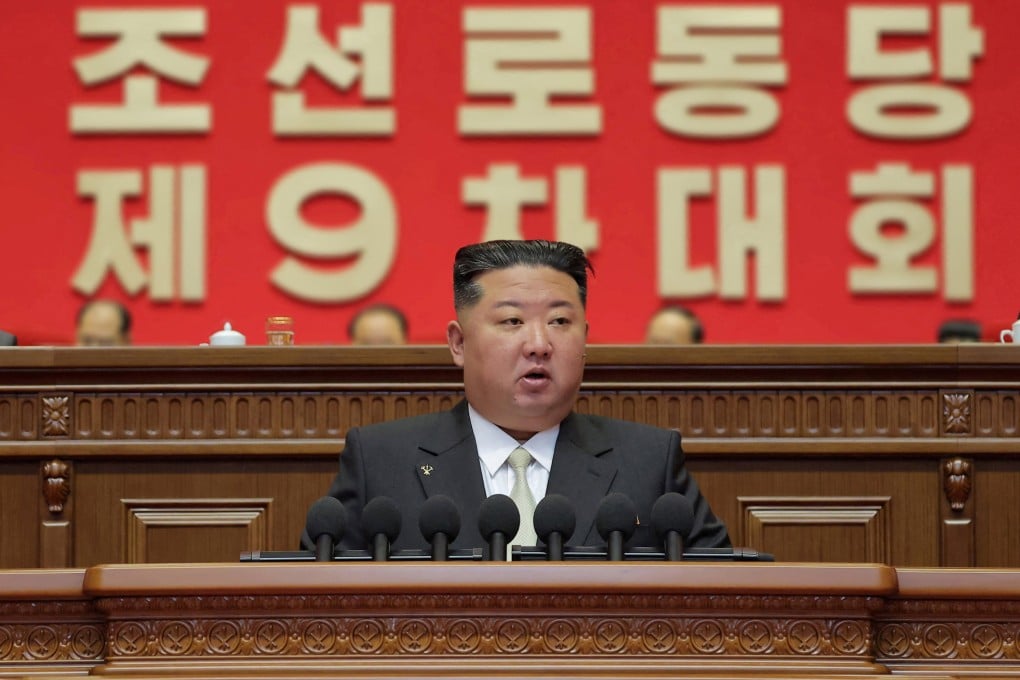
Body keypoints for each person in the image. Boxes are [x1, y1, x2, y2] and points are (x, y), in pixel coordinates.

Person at [306, 240, 729, 553]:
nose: (539, 344)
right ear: (459, 344)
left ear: (585, 341)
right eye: (512, 321)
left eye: (560, 321)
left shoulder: (648, 460)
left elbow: (725, 596)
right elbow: (315, 603)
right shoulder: (380, 460)